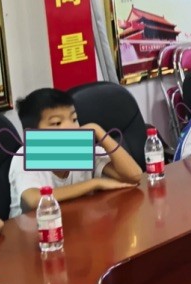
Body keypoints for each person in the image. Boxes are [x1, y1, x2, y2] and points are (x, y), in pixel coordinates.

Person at [9, 88, 143, 218]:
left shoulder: (80, 148)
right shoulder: (26, 155)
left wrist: (97, 130)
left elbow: (134, 176)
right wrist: (95, 183)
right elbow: (34, 199)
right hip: (33, 229)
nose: (71, 127)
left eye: (74, 119)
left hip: (73, 223)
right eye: (57, 123)